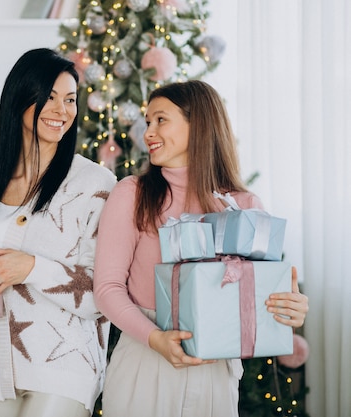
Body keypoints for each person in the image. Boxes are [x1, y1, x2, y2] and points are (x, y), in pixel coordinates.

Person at [93, 80, 309, 417]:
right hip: (146, 360)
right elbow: (107, 289)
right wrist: (155, 339)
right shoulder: (131, 194)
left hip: (216, 370)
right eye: (147, 121)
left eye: (160, 120)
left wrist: (289, 309)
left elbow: (258, 296)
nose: (148, 131)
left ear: (200, 125)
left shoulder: (245, 206)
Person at [0, 48, 116, 417]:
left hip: (64, 368)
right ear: (20, 98)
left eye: (70, 100)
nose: (61, 110)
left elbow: (104, 293)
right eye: (49, 97)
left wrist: (31, 267)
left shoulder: (93, 184)